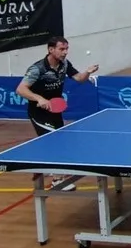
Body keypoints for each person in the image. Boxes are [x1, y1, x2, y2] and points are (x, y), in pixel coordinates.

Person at [15, 36, 99, 191]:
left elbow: (79, 79)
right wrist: (39, 98)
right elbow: (20, 89)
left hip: (55, 110)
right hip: (39, 112)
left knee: (57, 141)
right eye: (61, 49)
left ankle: (40, 164)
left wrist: (87, 72)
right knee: (55, 141)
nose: (65, 52)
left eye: (66, 49)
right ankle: (57, 180)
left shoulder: (64, 64)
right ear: (51, 49)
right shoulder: (37, 69)